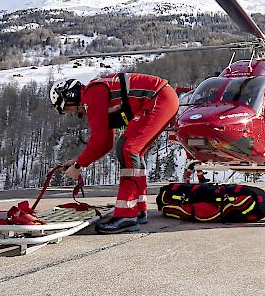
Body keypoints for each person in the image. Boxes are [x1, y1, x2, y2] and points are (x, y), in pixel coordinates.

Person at [50, 73, 179, 233]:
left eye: (65, 107)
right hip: (164, 98)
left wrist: (78, 165)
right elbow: (105, 143)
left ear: (70, 95)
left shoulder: (92, 93)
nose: (70, 112)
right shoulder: (96, 93)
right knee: (133, 152)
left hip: (159, 98)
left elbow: (99, 139)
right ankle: (137, 209)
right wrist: (78, 161)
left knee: (128, 149)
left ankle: (127, 216)